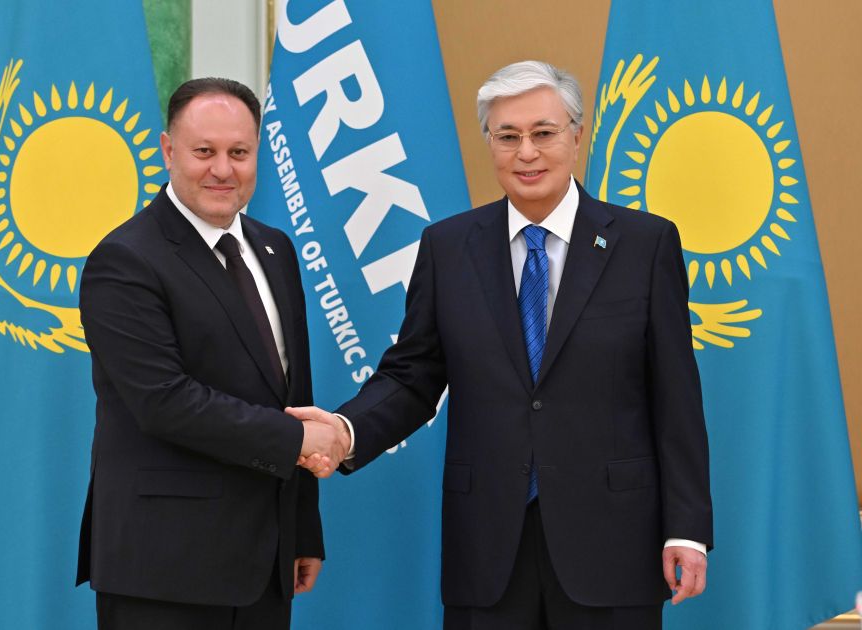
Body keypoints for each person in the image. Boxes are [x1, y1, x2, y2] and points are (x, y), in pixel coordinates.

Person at [289, 61, 713, 630]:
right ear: (489, 142)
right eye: (507, 136)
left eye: (543, 133)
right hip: (487, 547)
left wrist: (686, 527)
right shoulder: (448, 247)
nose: (526, 152)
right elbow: (412, 377)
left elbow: (675, 397)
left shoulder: (645, 244)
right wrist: (346, 431)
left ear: (577, 135)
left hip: (613, 542)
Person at [76, 78, 347, 630]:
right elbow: (165, 401)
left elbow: (292, 393)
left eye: (239, 153)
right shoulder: (124, 259)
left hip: (265, 564)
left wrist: (302, 531)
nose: (223, 170)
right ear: (168, 150)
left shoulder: (275, 249)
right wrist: (299, 440)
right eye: (204, 151)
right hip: (163, 569)